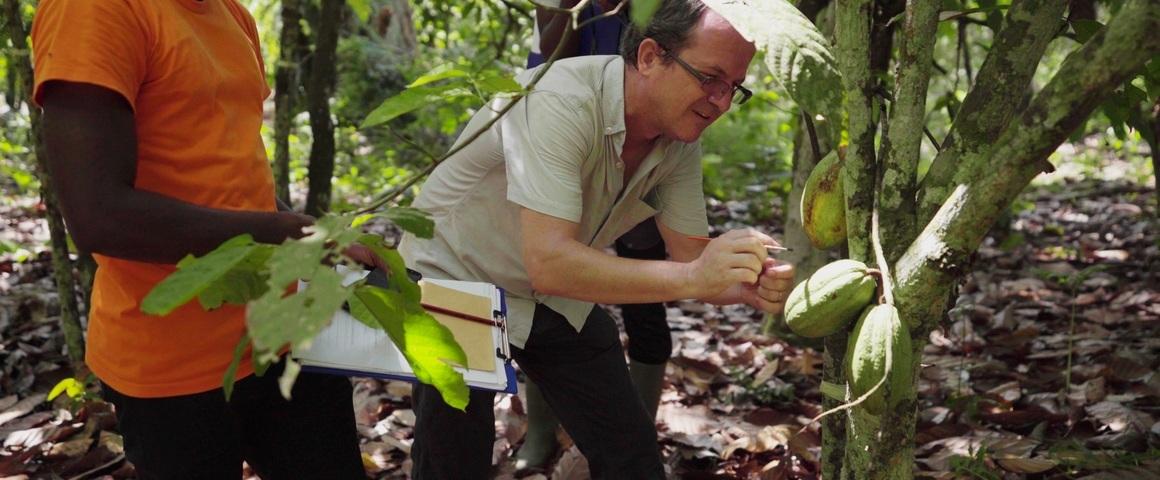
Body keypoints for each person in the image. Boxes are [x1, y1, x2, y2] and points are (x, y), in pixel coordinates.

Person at [399, 1, 795, 478]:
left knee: (631, 454)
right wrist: (695, 275)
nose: (722, 102)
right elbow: (553, 261)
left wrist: (750, 281)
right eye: (709, 78)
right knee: (453, 458)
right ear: (650, 57)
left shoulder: (679, 137)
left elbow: (693, 257)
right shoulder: (561, 99)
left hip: (546, 291)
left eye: (734, 87)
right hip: (454, 275)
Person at [32, 0, 373, 478]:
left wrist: (314, 233)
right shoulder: (96, 10)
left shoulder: (228, 12)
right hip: (173, 369)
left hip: (279, 336)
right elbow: (98, 216)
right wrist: (279, 232)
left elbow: (226, 169)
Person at [518, 0, 679, 471]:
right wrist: (570, 10)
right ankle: (541, 435)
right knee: (543, 299)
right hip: (571, 166)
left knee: (646, 305)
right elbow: (543, 69)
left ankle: (637, 434)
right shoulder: (570, 6)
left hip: (640, 167)